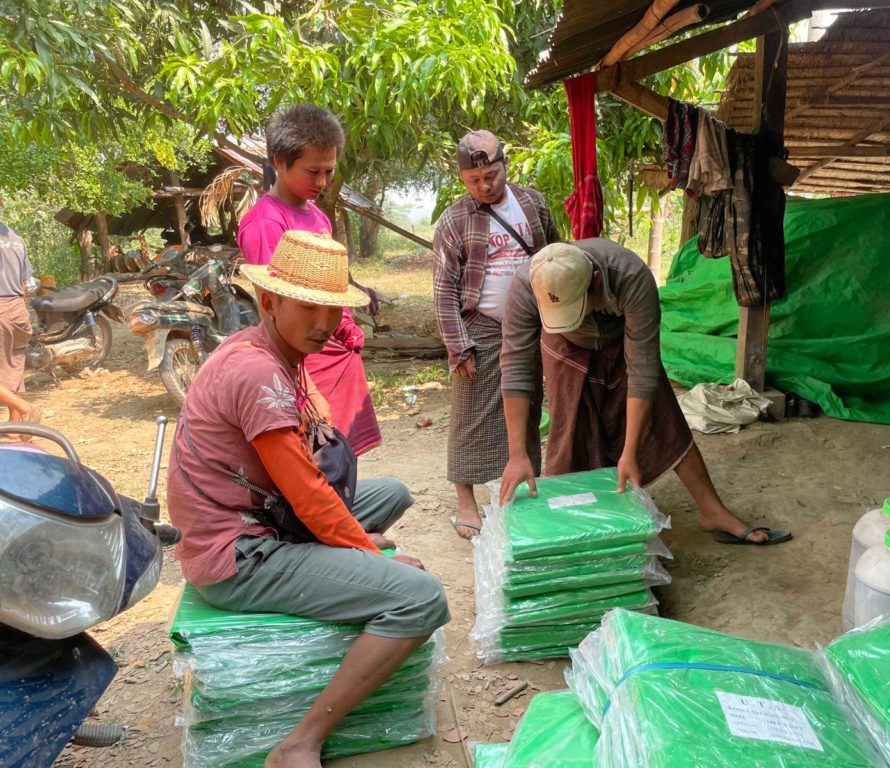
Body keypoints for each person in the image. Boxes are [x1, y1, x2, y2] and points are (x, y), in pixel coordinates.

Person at [167, 230, 449, 768]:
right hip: (239, 552)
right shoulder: (256, 373)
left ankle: (341, 560)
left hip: (265, 516)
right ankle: (299, 742)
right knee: (421, 599)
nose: (325, 323)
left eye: (333, 309)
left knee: (392, 493)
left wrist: (353, 539)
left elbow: (312, 475)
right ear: (269, 302)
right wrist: (364, 552)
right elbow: (310, 495)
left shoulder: (271, 349)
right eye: (310, 308)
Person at [498, 240, 791, 546]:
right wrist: (517, 454)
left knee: (664, 418)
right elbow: (516, 369)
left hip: (621, 340)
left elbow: (643, 371)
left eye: (578, 307)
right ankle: (578, 529)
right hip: (565, 348)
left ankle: (711, 510)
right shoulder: (526, 285)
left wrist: (630, 452)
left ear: (596, 281)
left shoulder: (631, 277)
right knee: (570, 435)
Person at [432, 130, 559, 539]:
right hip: (480, 327)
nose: (485, 186)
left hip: (531, 323)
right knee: (471, 416)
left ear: (505, 166)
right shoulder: (454, 221)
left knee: (526, 403)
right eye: (475, 180)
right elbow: (443, 290)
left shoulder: (532, 203)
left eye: (492, 175)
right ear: (463, 178)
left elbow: (555, 255)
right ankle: (466, 501)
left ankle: (523, 484)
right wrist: (458, 347)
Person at [238, 103, 381, 456]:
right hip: (307, 363)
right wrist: (304, 390)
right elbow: (274, 310)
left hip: (337, 353)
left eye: (329, 171)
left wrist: (347, 327)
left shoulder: (318, 216)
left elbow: (332, 287)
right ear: (279, 162)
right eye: (313, 171)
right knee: (316, 458)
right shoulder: (266, 224)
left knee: (343, 458)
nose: (322, 182)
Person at [0, 198, 33, 425]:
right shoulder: (16, 239)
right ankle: (14, 430)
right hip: (19, 309)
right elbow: (25, 284)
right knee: (15, 367)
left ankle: (22, 407)